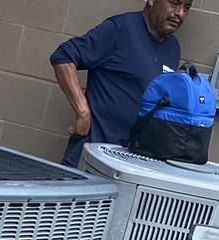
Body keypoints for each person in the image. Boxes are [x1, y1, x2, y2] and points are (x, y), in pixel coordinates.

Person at [50, 0, 193, 168]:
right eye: (174, 3)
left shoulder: (173, 48)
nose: (180, 13)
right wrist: (82, 112)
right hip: (92, 157)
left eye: (187, 7)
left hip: (130, 166)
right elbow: (63, 56)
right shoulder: (121, 28)